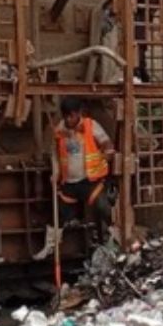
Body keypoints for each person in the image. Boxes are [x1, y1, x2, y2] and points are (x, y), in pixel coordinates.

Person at [53, 97, 115, 234]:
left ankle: (115, 231)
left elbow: (106, 143)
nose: (69, 120)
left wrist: (107, 154)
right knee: (64, 215)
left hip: (90, 180)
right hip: (69, 182)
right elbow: (56, 153)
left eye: (72, 116)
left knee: (102, 207)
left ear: (78, 114)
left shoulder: (91, 125)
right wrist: (55, 172)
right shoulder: (59, 130)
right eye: (66, 116)